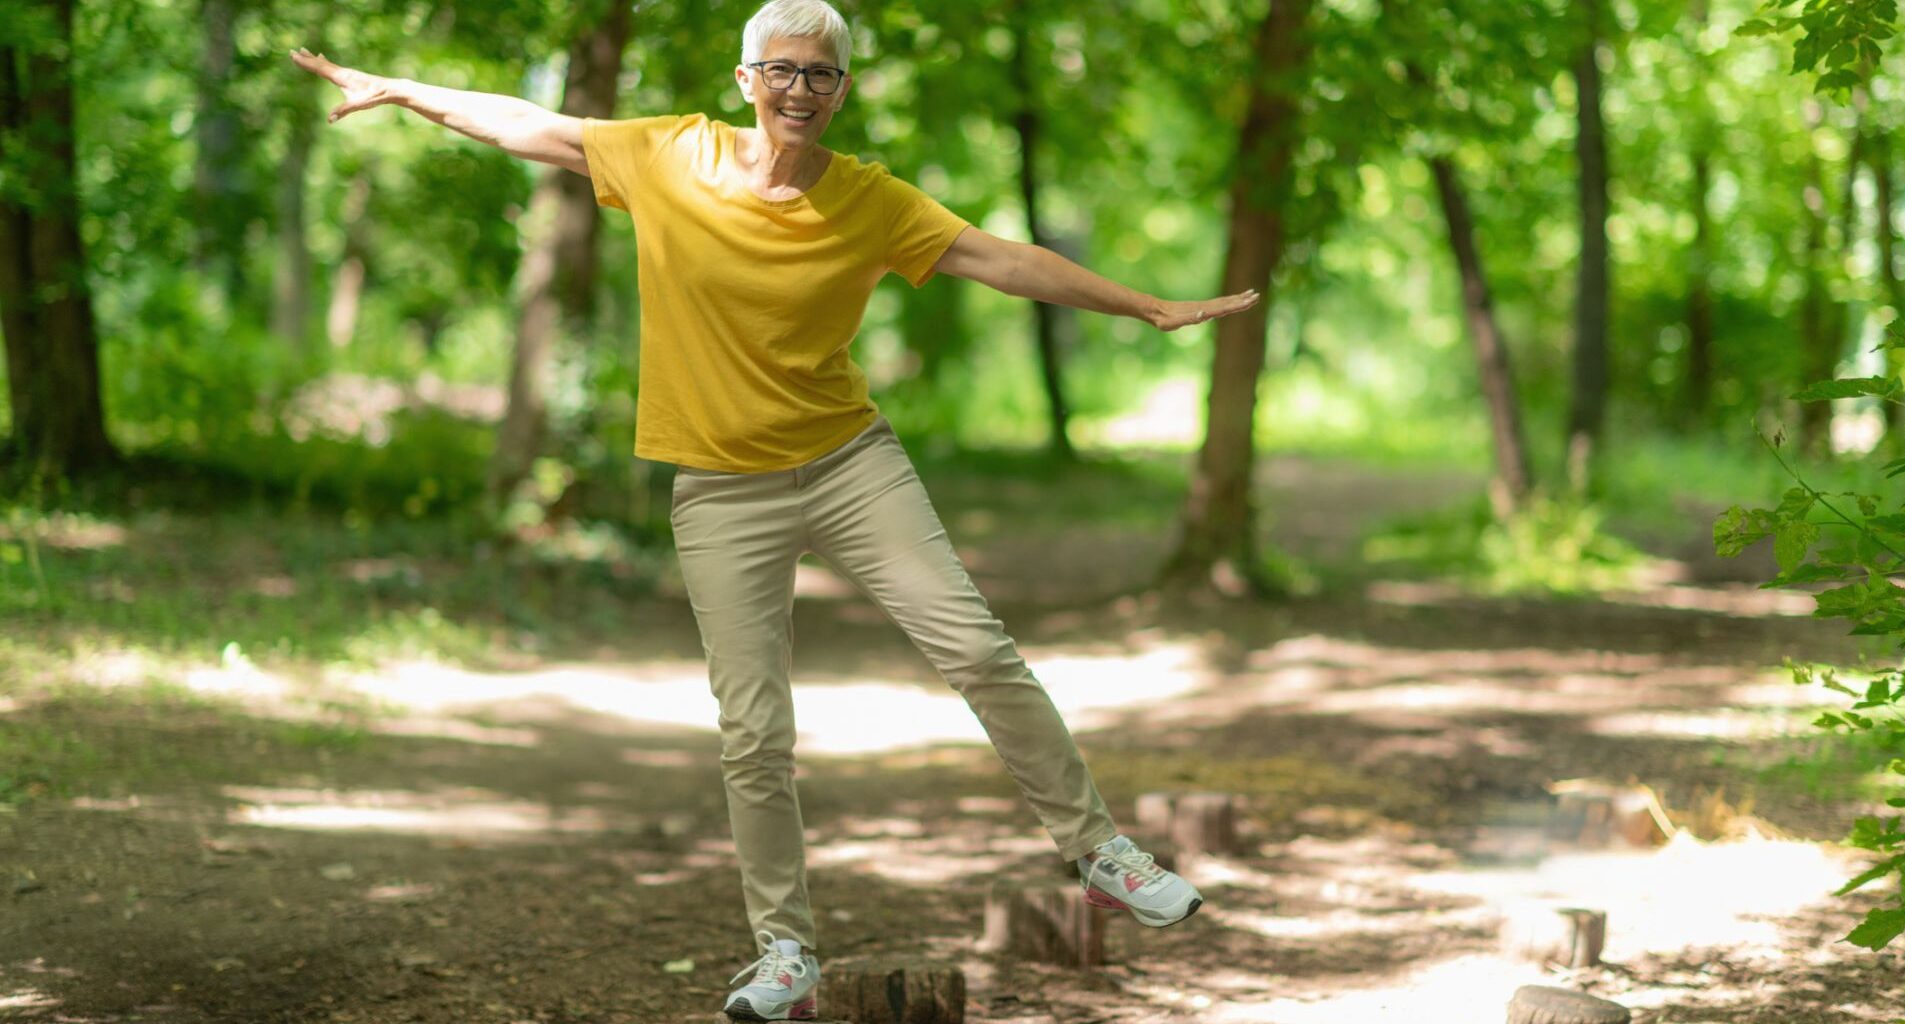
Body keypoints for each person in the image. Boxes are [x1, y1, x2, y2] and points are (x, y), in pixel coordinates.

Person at [293, 2, 1258, 1019]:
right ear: (747, 79)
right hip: (718, 487)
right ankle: (785, 949)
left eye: (823, 75)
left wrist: (1144, 304)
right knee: (754, 731)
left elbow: (998, 257)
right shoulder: (671, 155)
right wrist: (401, 92)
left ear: (842, 92)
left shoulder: (871, 201)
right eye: (784, 70)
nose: (801, 90)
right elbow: (530, 125)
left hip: (850, 462)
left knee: (978, 649)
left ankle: (1099, 848)